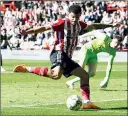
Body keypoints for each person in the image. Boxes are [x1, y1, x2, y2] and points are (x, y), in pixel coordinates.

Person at [13, 5, 117, 109]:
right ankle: (26, 68)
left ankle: (87, 103)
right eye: (72, 17)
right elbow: (45, 27)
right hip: (59, 52)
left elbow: (93, 26)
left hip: (67, 57)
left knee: (84, 76)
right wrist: (27, 32)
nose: (74, 19)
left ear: (80, 16)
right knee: (56, 74)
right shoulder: (62, 22)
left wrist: (111, 25)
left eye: (77, 17)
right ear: (68, 15)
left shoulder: (80, 24)